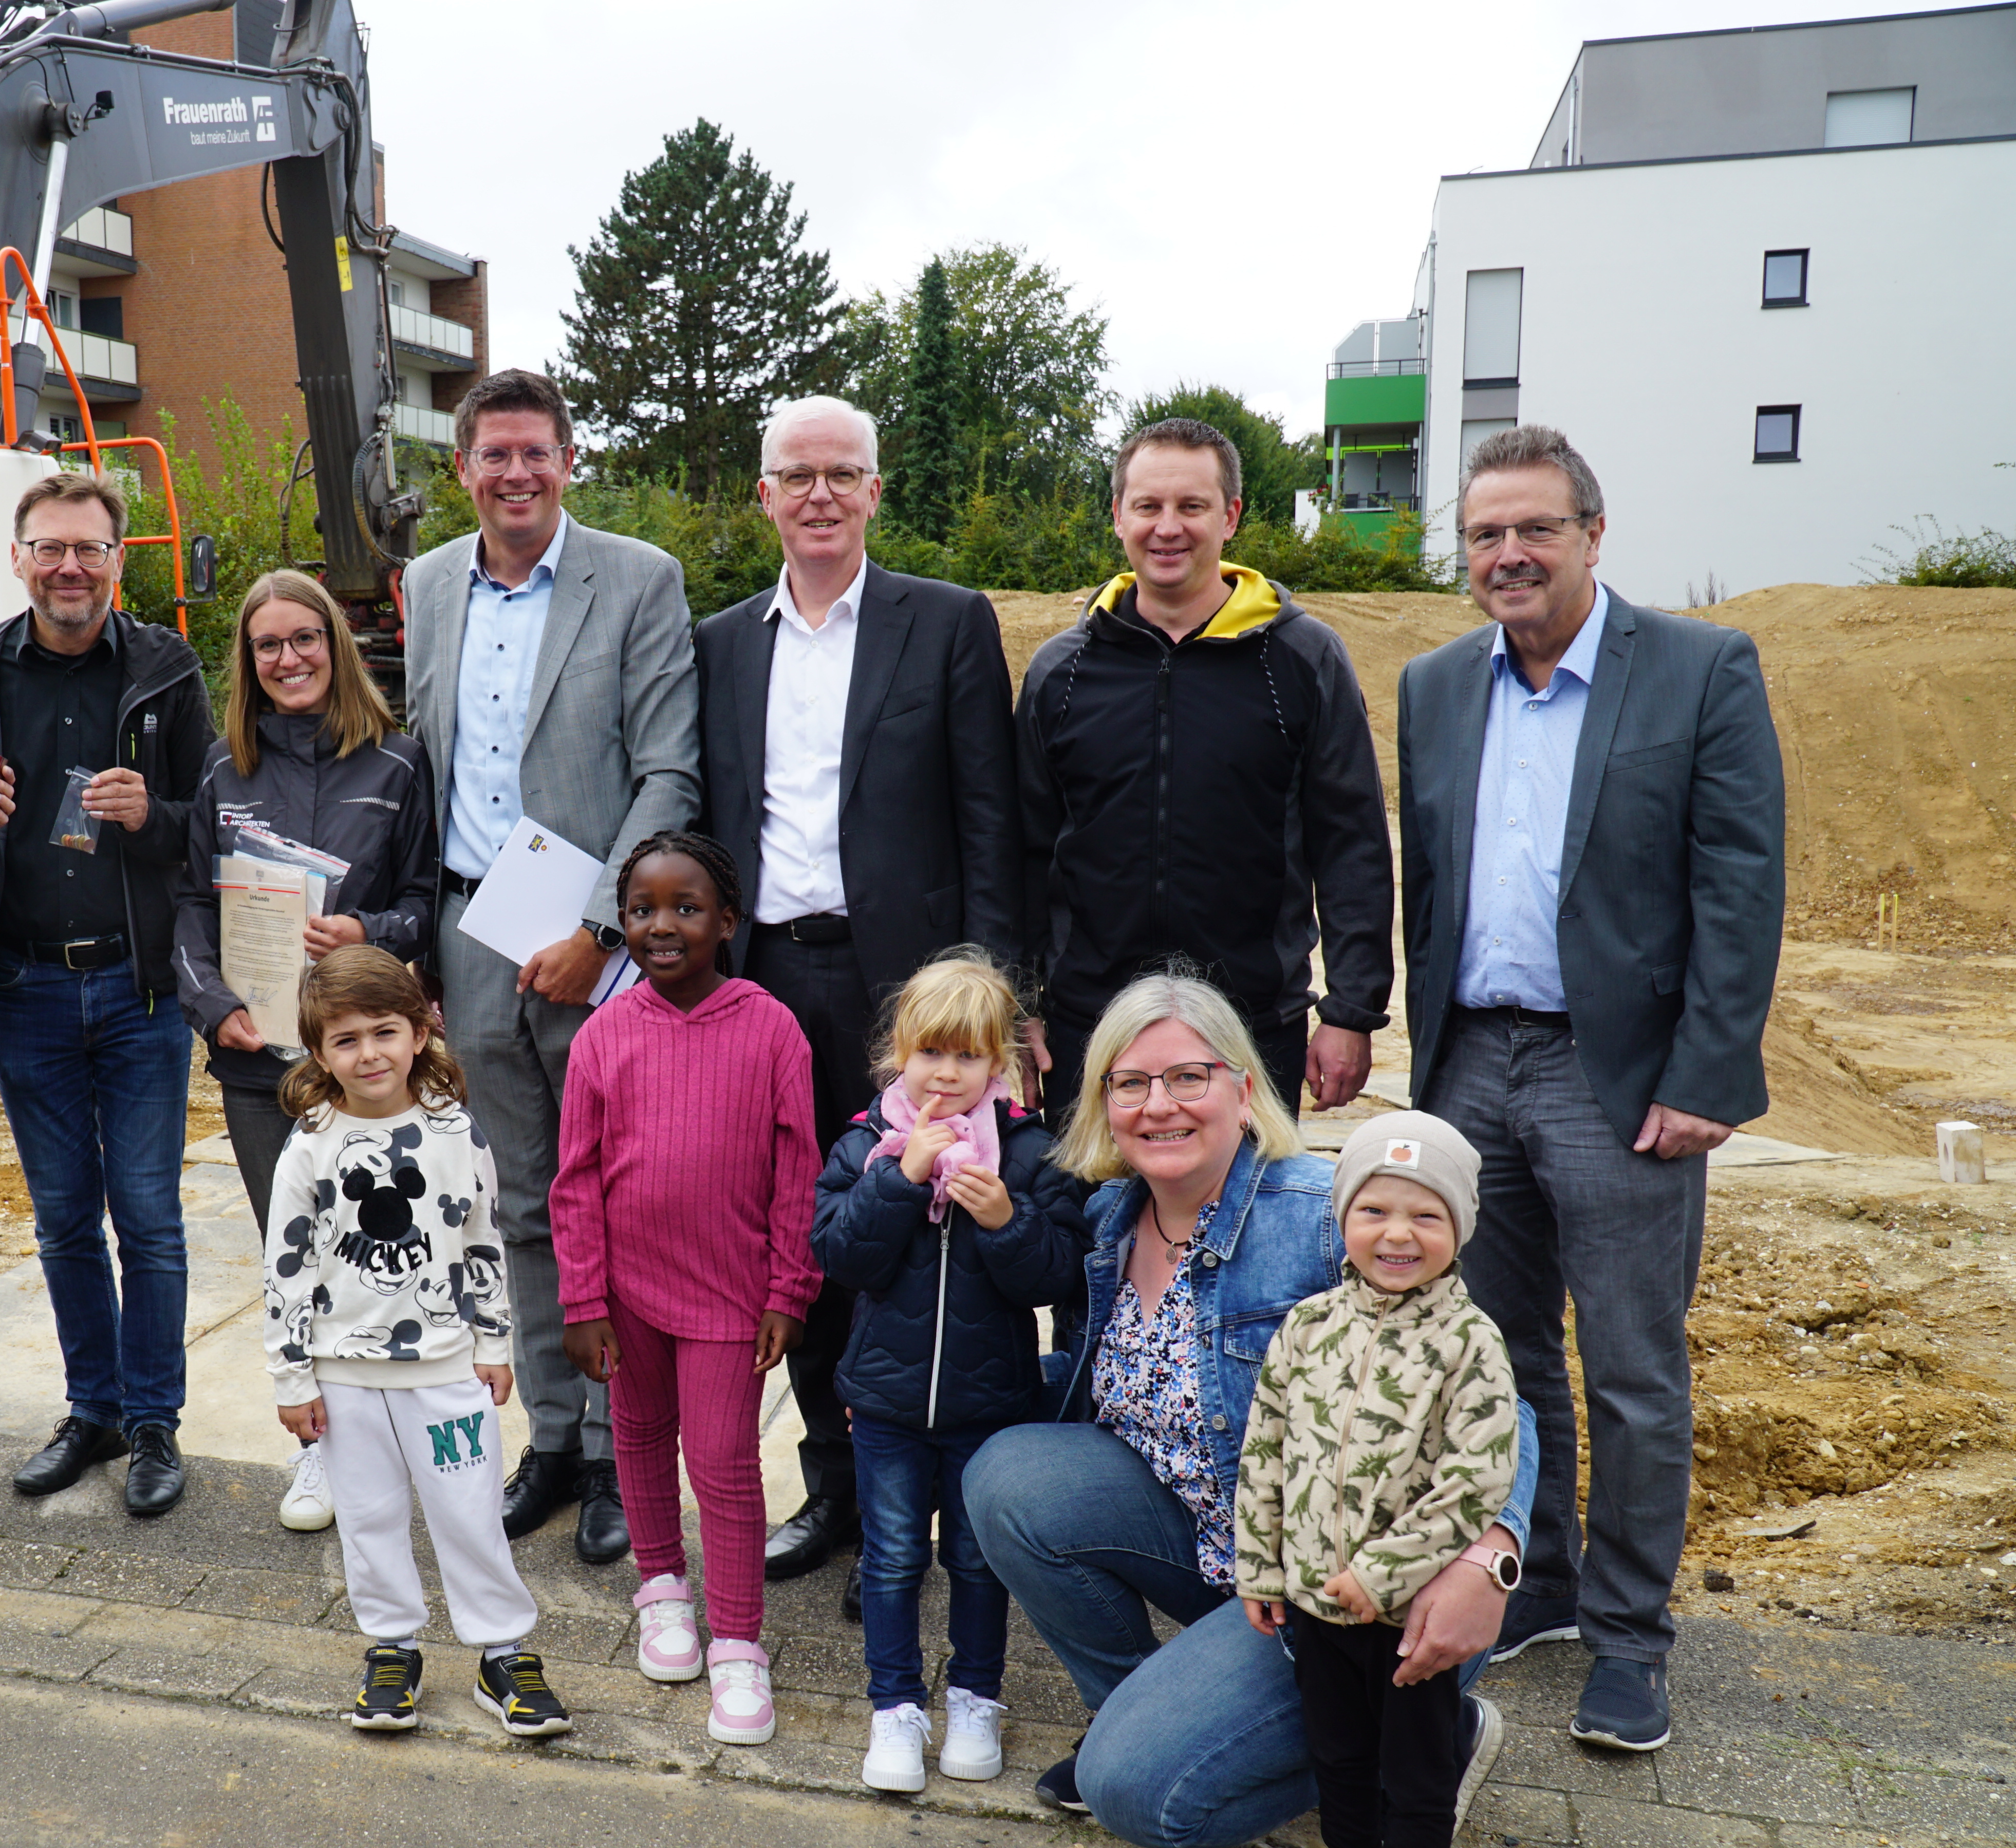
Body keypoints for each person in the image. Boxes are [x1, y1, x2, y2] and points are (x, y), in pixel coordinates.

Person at [1398, 425, 1785, 1753]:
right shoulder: (1436, 686)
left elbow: (1741, 884)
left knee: (1630, 1368)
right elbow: (1431, 885)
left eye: (1536, 529)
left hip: (1615, 1077)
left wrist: (1708, 1072)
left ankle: (1630, 1642)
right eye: (1485, 534)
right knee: (1500, 1356)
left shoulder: (1697, 669)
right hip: (1472, 1065)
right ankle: (1543, 1582)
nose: (1509, 553)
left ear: (1593, 534)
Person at [961, 973, 1539, 1845]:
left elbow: (1502, 1408)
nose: (1160, 1105)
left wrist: (1488, 1561)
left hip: (1348, 1586)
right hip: (1224, 1553)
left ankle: (1424, 1742)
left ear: (1242, 1089)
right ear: (1104, 1103)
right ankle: (1143, 1710)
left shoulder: (1322, 1218)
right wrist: (912, 1403)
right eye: (1131, 1082)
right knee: (1007, 1474)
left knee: (1134, 1795)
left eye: (1188, 1077)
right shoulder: (1111, 1219)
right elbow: (1100, 1383)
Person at [695, 395, 1020, 1612]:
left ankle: (923, 1515)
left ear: (876, 490)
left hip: (915, 995)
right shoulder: (722, 642)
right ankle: (834, 1490)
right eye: (798, 474)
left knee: (925, 1234)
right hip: (768, 980)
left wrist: (998, 1003)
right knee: (809, 1227)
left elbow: (991, 817)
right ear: (765, 496)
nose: (821, 493)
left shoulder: (946, 622)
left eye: (843, 472)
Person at [402, 366, 701, 1567]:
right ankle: (559, 1440)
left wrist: (599, 928)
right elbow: (421, 764)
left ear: (570, 462)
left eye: (537, 453)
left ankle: (629, 1455)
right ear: (462, 470)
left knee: (619, 1203)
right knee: (519, 1200)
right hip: (472, 929)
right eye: (495, 455)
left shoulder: (637, 578)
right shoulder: (430, 582)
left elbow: (670, 770)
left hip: (593, 941)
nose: (516, 474)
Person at [0, 471, 216, 1521]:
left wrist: (153, 814)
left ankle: (153, 1421)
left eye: (89, 549)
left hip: (138, 988)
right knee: (63, 1221)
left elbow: (211, 824)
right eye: (50, 548)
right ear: (19, 559)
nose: (70, 567)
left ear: (118, 559)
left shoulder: (166, 668)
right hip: (25, 986)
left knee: (147, 1218)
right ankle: (91, 1408)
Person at [1011, 417, 1392, 1121]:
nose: (1168, 527)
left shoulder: (1303, 659)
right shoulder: (1061, 672)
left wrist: (1351, 1011)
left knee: (1245, 1199)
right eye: (1148, 506)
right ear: (1118, 515)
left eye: (1192, 506)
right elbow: (1026, 855)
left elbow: (1352, 845)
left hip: (1250, 1026)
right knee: (1086, 1200)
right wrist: (1022, 1007)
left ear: (1231, 516)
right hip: (1089, 1028)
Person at [171, 570, 438, 1530]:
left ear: (335, 644)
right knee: (297, 1255)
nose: (288, 659)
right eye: (268, 646)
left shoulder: (399, 762)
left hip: (371, 1064)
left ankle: (400, 1436)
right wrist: (212, 1007)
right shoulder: (223, 770)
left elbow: (426, 902)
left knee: (387, 1248)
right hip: (262, 1066)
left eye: (305, 639)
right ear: (248, 663)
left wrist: (372, 932)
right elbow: (191, 904)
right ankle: (319, 1450)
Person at [1238, 1111, 1520, 1848]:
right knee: (1338, 1752)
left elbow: (1476, 1482)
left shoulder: (1471, 1344)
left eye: (1426, 1216)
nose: (1398, 1235)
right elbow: (1267, 1448)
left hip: (1404, 1619)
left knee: (1415, 1771)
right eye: (1375, 1212)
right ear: (1344, 1220)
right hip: (1314, 1602)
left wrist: (1384, 1574)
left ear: (1460, 1227)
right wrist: (1262, 1567)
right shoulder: (1308, 1325)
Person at [260, 946, 572, 1741]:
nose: (369, 1054)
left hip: (445, 1369)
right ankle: (392, 1647)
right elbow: (286, 1269)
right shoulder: (310, 1145)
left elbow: (484, 1239)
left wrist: (494, 1341)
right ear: (318, 1051)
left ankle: (503, 1654)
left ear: (421, 1031)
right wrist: (293, 1377)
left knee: (470, 1513)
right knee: (369, 1520)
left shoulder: (455, 1133)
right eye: (346, 1039)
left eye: (384, 1032)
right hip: (343, 1377)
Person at [549, 831, 818, 1746]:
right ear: (621, 924)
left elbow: (798, 1168)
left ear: (729, 921)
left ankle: (738, 1642)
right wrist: (583, 1302)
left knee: (725, 1462)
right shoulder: (604, 1034)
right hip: (627, 1294)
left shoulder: (771, 1028)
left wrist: (789, 1289)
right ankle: (662, 1589)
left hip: (730, 1295)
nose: (662, 926)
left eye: (686, 908)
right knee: (637, 1436)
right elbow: (575, 1180)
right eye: (642, 910)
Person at [811, 948, 1084, 1795]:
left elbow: (1056, 1277)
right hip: (886, 1405)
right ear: (900, 1052)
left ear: (998, 1062)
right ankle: (895, 1706)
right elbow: (841, 1257)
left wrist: (1007, 1220)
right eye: (931, 1052)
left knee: (976, 1560)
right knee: (893, 1558)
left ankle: (974, 1697)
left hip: (988, 1404)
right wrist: (900, 1180)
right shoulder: (866, 1143)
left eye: (968, 1056)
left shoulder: (1029, 1153)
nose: (947, 1072)